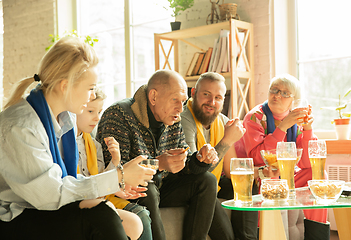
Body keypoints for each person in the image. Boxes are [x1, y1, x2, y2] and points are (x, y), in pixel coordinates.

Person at [0, 37, 155, 239]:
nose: (92, 96)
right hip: (15, 216)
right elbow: (50, 194)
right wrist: (117, 177)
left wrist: (117, 181)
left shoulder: (66, 119)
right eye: (90, 87)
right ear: (65, 86)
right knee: (102, 215)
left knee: (134, 222)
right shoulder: (20, 127)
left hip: (42, 205)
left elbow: (66, 181)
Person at [96, 69, 221, 240]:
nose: (180, 108)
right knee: (148, 189)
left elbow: (185, 165)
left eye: (183, 102)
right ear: (153, 97)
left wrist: (199, 159)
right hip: (131, 192)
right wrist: (158, 164)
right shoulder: (118, 115)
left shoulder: (173, 118)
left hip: (163, 186)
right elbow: (116, 173)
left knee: (207, 180)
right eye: (175, 100)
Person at [234, 74, 329, 240]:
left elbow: (307, 163)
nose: (277, 95)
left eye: (285, 93)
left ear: (295, 100)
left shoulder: (297, 119)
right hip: (261, 175)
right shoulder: (255, 117)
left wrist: (308, 129)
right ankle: (267, 233)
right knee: (271, 176)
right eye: (274, 90)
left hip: (286, 175)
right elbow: (258, 159)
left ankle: (317, 237)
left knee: (318, 177)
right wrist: (283, 127)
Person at [180, 72, 258, 240]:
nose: (212, 102)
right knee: (226, 236)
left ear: (223, 100)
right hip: (191, 186)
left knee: (248, 184)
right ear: (193, 93)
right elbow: (194, 172)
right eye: (206, 95)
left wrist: (257, 173)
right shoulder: (184, 119)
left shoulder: (222, 121)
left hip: (211, 182)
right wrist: (227, 140)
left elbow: (231, 171)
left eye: (218, 97)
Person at [76, 88, 152, 240]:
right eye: (91, 111)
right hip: (81, 200)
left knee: (142, 213)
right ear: (76, 109)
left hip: (99, 196)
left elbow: (103, 178)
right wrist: (115, 183)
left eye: (99, 112)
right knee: (137, 217)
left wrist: (115, 159)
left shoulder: (93, 144)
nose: (97, 118)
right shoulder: (63, 143)